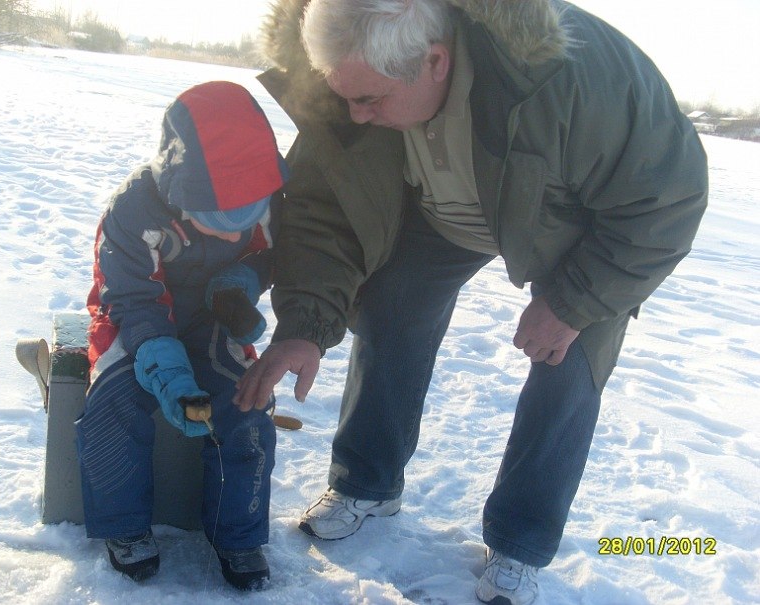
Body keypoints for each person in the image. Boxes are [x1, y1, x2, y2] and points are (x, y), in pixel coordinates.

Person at [240, 1, 708, 603]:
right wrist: (305, 323)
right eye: (346, 97)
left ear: (435, 60)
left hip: (573, 230)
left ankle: (521, 543)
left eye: (372, 101)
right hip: (440, 214)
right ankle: (367, 483)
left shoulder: (575, 77)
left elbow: (667, 201)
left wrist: (573, 303)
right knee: (390, 307)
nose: (356, 115)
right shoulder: (352, 82)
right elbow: (325, 209)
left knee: (566, 363)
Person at [77, 81, 287, 591]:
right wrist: (166, 368)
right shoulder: (134, 211)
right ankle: (124, 527)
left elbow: (274, 255)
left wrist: (243, 281)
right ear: (181, 193)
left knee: (249, 404)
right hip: (134, 317)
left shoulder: (271, 205)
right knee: (112, 402)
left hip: (211, 319)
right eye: (219, 220)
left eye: (246, 219)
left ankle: (238, 533)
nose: (235, 234)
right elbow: (132, 298)